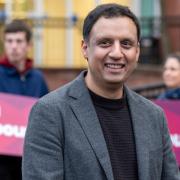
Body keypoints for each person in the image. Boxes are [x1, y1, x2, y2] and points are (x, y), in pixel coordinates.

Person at [22, 3, 180, 180]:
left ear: (137, 51)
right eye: (105, 42)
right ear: (85, 48)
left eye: (126, 44)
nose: (116, 53)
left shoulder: (154, 116)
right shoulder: (50, 112)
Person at [0, 19, 48, 180]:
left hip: (30, 154)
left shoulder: (37, 78)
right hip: (2, 159)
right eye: (9, 41)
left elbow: (47, 113)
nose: (13, 46)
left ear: (28, 45)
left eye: (19, 41)